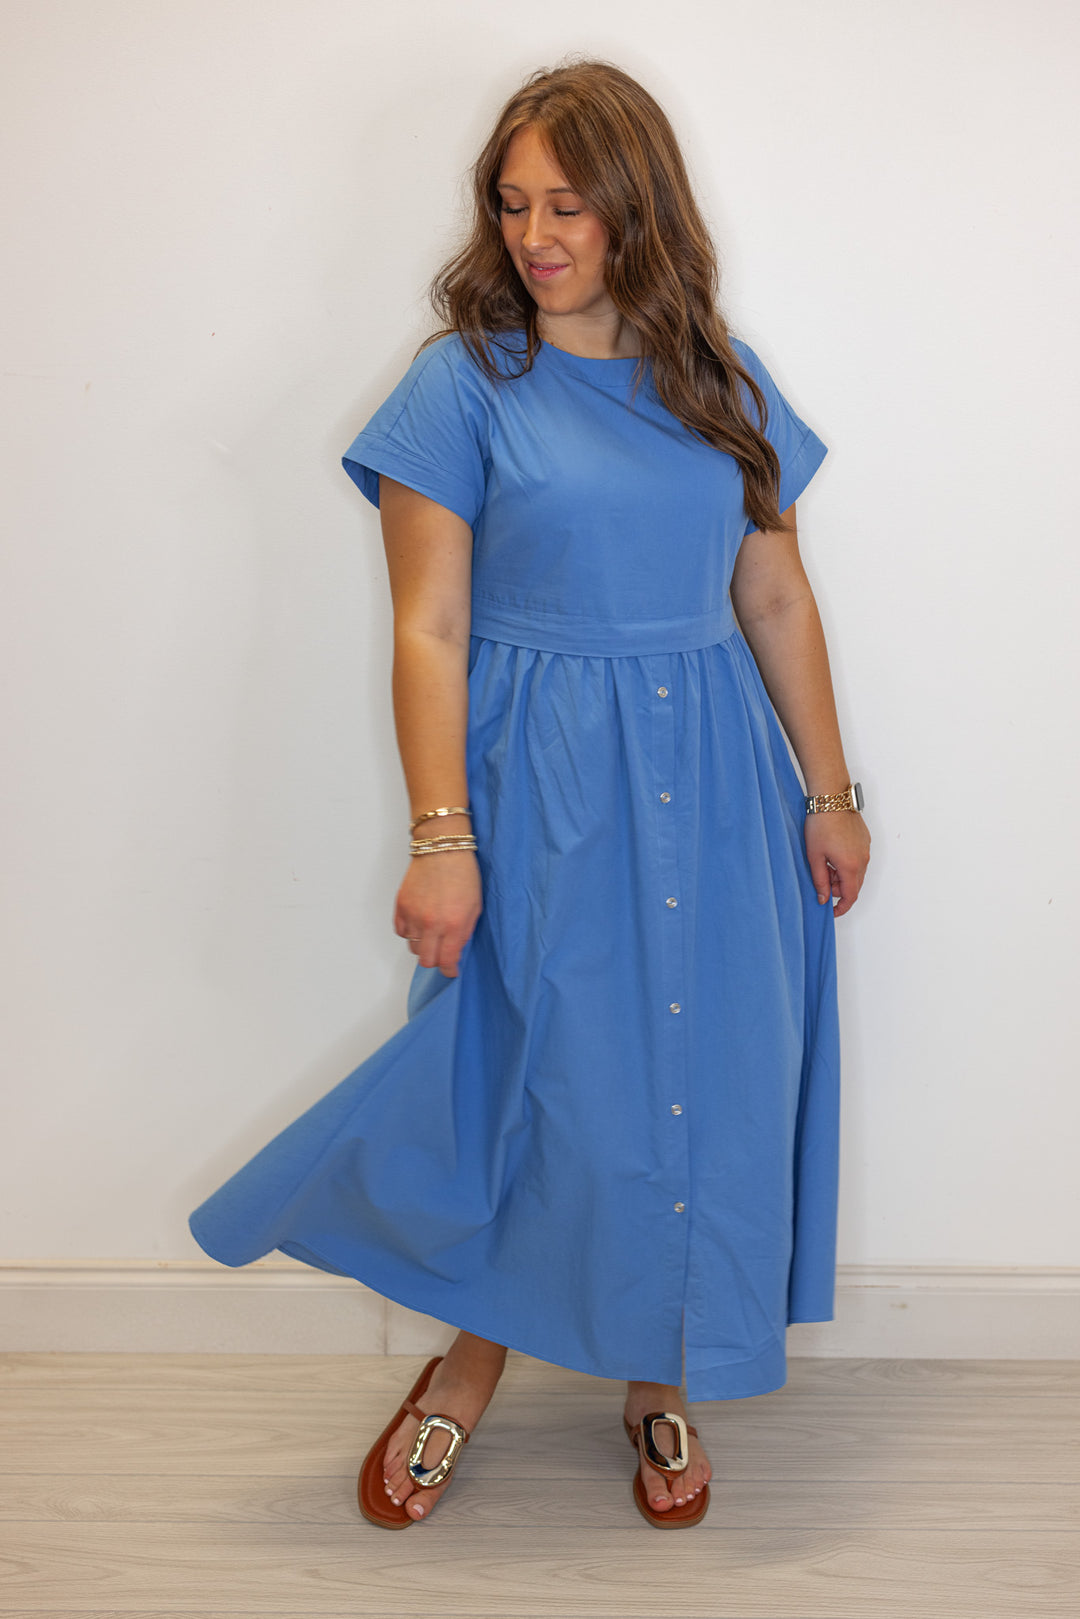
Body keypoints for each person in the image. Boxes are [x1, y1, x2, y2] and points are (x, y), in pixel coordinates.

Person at [187, 57, 870, 1532]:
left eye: (569, 203)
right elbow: (428, 627)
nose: (536, 235)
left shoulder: (724, 380)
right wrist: (443, 837)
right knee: (525, 1081)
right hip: (544, 781)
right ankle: (468, 1364)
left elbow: (772, 594)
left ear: (639, 206)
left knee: (697, 1075)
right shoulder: (462, 384)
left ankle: (659, 1370)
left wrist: (830, 792)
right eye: (512, 204)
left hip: (721, 782)